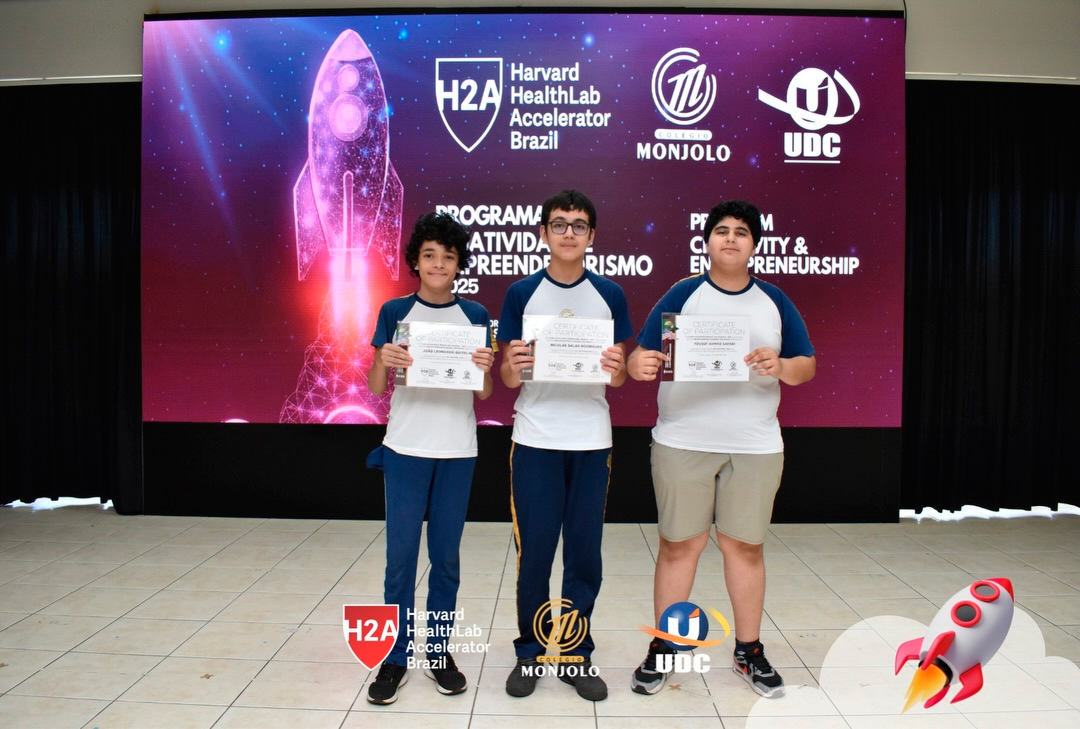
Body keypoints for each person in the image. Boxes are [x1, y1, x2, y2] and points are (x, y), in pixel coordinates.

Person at [626, 200, 816, 699]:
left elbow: (806, 366)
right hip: (682, 439)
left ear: (755, 245)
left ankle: (748, 651)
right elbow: (642, 355)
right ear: (707, 241)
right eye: (722, 230)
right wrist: (638, 365)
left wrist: (782, 365)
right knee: (678, 547)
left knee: (744, 548)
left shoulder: (774, 300)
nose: (731, 238)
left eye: (742, 232)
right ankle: (666, 646)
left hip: (754, 444)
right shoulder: (682, 294)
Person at [498, 189, 633, 702]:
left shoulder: (610, 294)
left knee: (583, 554)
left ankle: (576, 654)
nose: (569, 233)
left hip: (591, 441)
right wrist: (515, 365)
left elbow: (618, 378)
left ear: (591, 235)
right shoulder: (521, 293)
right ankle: (530, 653)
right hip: (535, 438)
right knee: (534, 555)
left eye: (579, 225)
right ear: (543, 233)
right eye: (559, 224)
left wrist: (617, 370)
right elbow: (507, 376)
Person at [364, 211, 495, 705]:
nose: (439, 264)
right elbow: (376, 387)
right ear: (415, 262)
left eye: (448, 256)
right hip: (405, 449)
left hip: (457, 451)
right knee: (399, 560)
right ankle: (394, 657)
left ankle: (438, 653)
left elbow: (484, 391)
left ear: (459, 264)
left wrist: (485, 366)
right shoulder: (395, 311)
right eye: (429, 255)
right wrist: (383, 359)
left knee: (446, 559)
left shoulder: (476, 315)